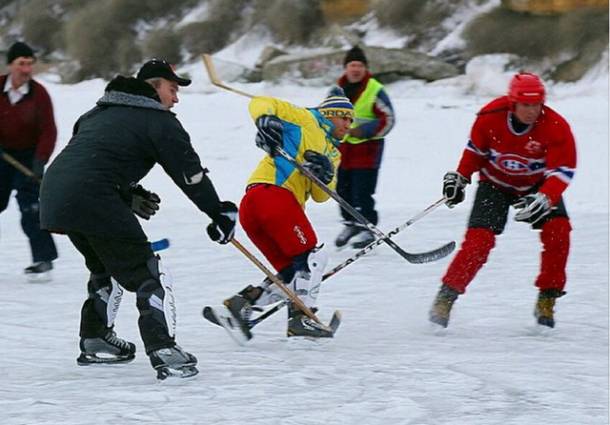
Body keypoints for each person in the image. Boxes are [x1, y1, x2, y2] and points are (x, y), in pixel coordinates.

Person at [39, 59, 238, 379]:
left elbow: (94, 161)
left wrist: (127, 194)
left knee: (107, 267)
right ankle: (164, 350)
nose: (176, 98)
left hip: (55, 196)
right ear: (154, 86)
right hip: (94, 197)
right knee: (149, 272)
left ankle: (95, 339)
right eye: (172, 89)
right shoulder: (159, 121)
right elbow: (190, 176)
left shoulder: (95, 113)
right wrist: (219, 212)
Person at [429, 72, 577, 329]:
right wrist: (461, 177)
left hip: (536, 185)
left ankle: (547, 298)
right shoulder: (489, 117)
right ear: (513, 103)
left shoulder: (555, 126)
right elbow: (474, 152)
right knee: (478, 243)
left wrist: (546, 196)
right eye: (525, 105)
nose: (532, 111)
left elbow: (562, 170)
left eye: (536, 105)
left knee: (559, 233)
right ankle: (446, 297)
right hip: (494, 184)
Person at [211, 89, 353, 340]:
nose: (349, 125)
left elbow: (321, 196)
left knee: (293, 274)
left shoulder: (334, 153)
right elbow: (260, 101)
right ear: (332, 114)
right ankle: (301, 319)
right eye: (346, 118)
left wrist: (325, 174)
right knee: (314, 258)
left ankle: (242, 305)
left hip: (256, 207)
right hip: (273, 197)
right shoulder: (305, 118)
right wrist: (266, 120)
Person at [0, 41, 58, 281]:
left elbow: (48, 131)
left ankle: (43, 259)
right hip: (1, 156)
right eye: (21, 64)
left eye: (30, 64)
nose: (26, 69)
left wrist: (40, 160)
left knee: (30, 208)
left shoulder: (39, 93)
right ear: (10, 65)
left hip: (29, 157)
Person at [333, 45, 395, 249]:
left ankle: (367, 227)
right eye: (352, 65)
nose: (355, 69)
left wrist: (363, 131)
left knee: (362, 192)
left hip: (367, 153)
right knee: (342, 190)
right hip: (342, 152)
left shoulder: (375, 89)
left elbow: (388, 119)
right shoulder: (337, 90)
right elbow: (325, 115)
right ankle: (351, 224)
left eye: (359, 65)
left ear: (365, 68)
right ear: (346, 68)